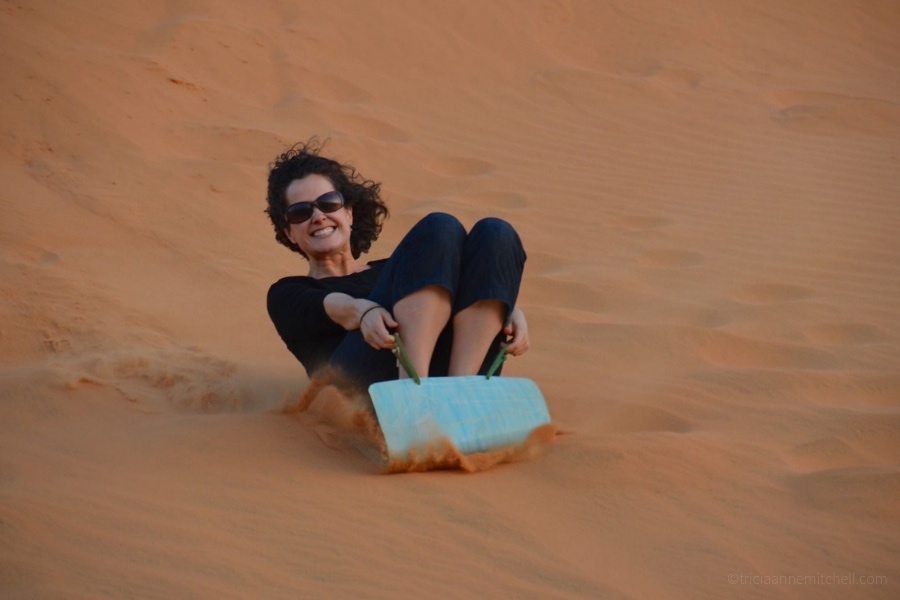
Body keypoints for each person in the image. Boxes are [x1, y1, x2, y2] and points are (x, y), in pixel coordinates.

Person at [265, 139, 529, 390]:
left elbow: (474, 282)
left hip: (453, 369)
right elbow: (338, 308)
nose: (319, 216)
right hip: (365, 385)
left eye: (329, 203)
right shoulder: (288, 293)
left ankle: (461, 391)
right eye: (300, 212)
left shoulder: (401, 268)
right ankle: (412, 388)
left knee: (497, 233)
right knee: (439, 227)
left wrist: (506, 307)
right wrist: (363, 311)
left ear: (348, 213)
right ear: (289, 233)